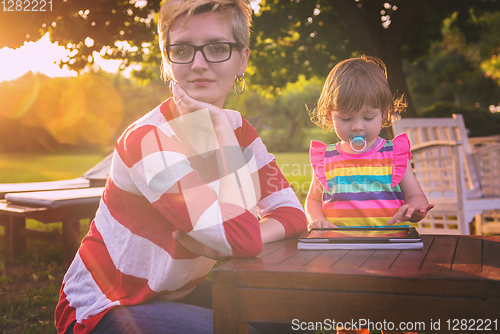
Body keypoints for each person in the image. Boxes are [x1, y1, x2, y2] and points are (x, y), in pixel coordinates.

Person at [54, 1, 308, 333]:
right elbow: (241, 236)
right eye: (183, 50)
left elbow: (292, 214)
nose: (199, 64)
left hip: (176, 293)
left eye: (217, 48)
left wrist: (237, 238)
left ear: (242, 59)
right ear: (166, 58)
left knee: (289, 316)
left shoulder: (239, 129)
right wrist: (218, 131)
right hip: (106, 308)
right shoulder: (148, 141)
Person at [305, 56, 434, 334]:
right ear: (329, 115)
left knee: (397, 316)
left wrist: (415, 210)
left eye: (368, 117)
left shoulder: (393, 155)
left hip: (392, 252)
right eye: (346, 118)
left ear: (384, 113)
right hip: (344, 255)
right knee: (349, 319)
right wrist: (317, 221)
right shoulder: (326, 159)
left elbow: (417, 198)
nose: (358, 127)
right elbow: (314, 200)